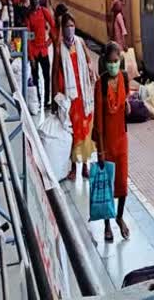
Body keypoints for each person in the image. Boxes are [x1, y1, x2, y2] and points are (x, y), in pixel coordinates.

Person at [93, 41, 131, 242]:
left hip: (122, 140)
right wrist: (99, 150)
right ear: (104, 62)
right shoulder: (100, 85)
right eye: (110, 62)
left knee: (122, 183)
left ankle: (120, 217)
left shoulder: (124, 77)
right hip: (106, 142)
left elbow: (125, 99)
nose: (113, 65)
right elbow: (98, 121)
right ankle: (107, 224)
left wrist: (126, 106)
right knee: (107, 184)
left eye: (116, 61)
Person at [52, 13, 98, 181]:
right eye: (67, 26)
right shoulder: (59, 49)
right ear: (62, 29)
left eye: (72, 25)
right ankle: (73, 167)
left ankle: (85, 165)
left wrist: (92, 70)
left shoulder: (80, 43)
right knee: (73, 133)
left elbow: (88, 61)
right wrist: (55, 99)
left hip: (84, 95)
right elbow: (54, 73)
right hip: (70, 97)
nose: (70, 29)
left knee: (85, 132)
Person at [26, 0, 55, 109]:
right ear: (31, 0)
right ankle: (37, 99)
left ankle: (46, 101)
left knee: (46, 76)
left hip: (43, 50)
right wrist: (31, 56)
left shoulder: (44, 12)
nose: (35, 0)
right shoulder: (29, 16)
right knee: (36, 77)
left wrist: (49, 42)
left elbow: (53, 26)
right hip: (34, 50)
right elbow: (29, 36)